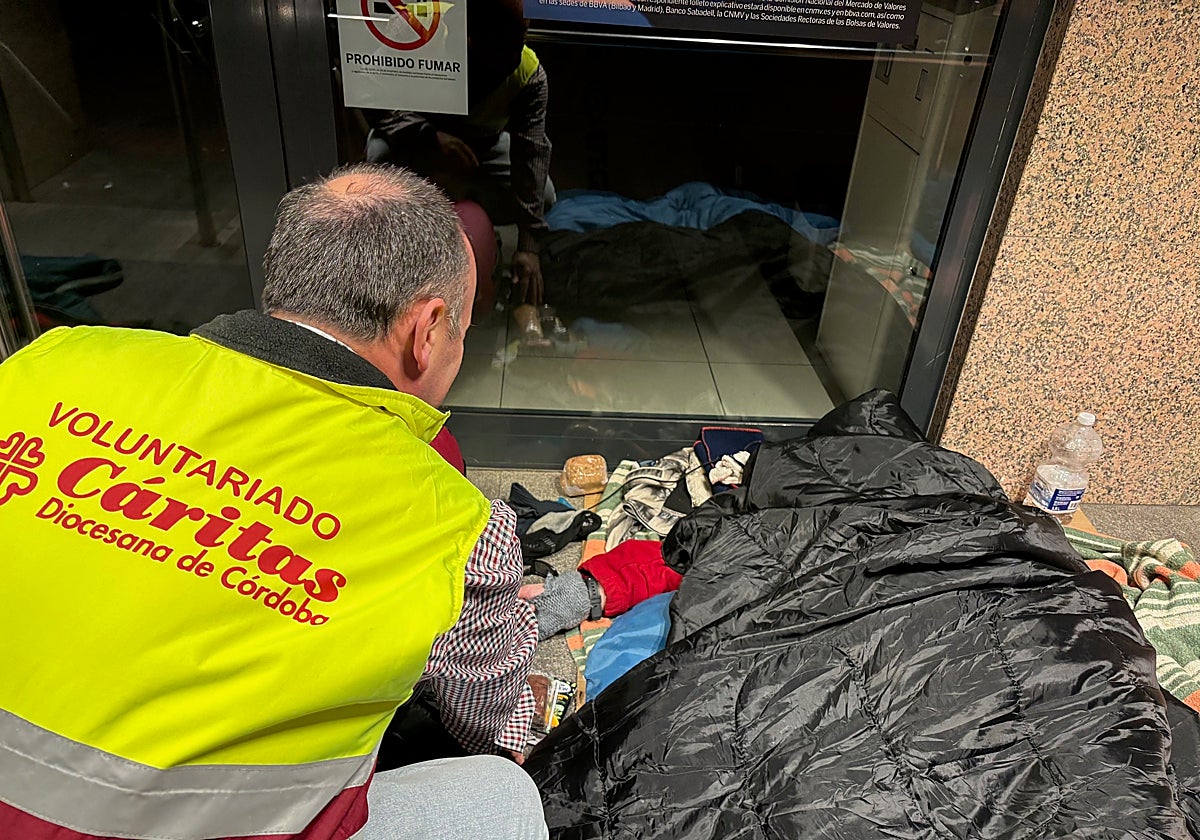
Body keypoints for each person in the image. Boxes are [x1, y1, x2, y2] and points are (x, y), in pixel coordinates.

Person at [0, 163, 546, 840]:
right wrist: (501, 625)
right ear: (428, 330)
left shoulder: (51, 363)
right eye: (462, 330)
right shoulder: (449, 523)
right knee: (501, 793)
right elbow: (493, 723)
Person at [366, 0, 553, 306]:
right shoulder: (415, 30)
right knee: (376, 166)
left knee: (543, 196)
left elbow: (530, 155)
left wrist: (529, 246)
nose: (514, 57)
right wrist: (428, 137)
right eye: (502, 47)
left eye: (520, 42)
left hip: (483, 147)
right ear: (469, 37)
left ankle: (467, 209)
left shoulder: (529, 74)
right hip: (415, 139)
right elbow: (371, 92)